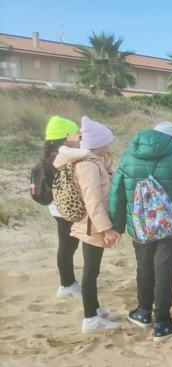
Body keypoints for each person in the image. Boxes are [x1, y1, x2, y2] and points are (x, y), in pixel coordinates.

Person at [110, 121, 172, 342]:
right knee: (165, 271)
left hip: (139, 226)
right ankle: (163, 322)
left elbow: (117, 193)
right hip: (170, 228)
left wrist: (117, 225)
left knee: (144, 267)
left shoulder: (128, 156)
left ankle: (142, 312)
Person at [54, 116, 123, 333]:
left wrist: (106, 162)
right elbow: (93, 201)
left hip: (91, 223)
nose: (110, 144)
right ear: (97, 143)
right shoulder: (88, 166)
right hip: (91, 224)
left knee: (93, 270)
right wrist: (107, 229)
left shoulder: (93, 161)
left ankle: (94, 308)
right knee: (91, 271)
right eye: (107, 141)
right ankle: (90, 319)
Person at [37, 116, 83, 299]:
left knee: (67, 245)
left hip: (56, 208)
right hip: (64, 209)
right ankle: (67, 285)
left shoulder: (49, 157)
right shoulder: (64, 158)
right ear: (65, 138)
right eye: (75, 135)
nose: (78, 138)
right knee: (67, 245)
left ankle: (68, 283)